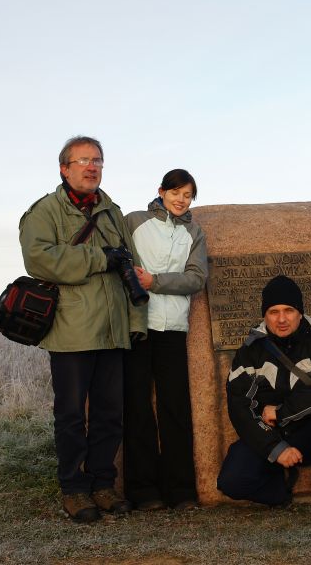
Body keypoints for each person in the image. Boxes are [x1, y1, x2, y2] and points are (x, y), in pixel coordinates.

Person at [19, 136, 147, 523]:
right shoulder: (44, 212)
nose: (92, 167)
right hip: (71, 331)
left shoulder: (112, 212)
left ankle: (103, 484)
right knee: (72, 415)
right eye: (83, 161)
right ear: (64, 168)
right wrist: (97, 257)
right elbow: (39, 259)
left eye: (98, 161)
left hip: (112, 330)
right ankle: (74, 490)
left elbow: (132, 269)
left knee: (110, 414)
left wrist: (136, 322)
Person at [217, 275, 311, 518]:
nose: (281, 319)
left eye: (289, 310)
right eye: (273, 312)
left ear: (300, 312)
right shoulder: (249, 351)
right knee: (231, 481)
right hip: (270, 434)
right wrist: (275, 448)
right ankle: (279, 492)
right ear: (264, 315)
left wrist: (281, 413)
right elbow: (239, 407)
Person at [123, 169, 208, 510]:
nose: (180, 199)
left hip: (173, 327)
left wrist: (154, 280)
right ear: (161, 191)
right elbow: (120, 260)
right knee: (138, 407)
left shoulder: (194, 231)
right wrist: (136, 280)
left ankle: (181, 490)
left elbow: (197, 278)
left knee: (176, 408)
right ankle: (143, 490)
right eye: (175, 192)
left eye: (187, 195)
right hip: (138, 324)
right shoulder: (134, 221)